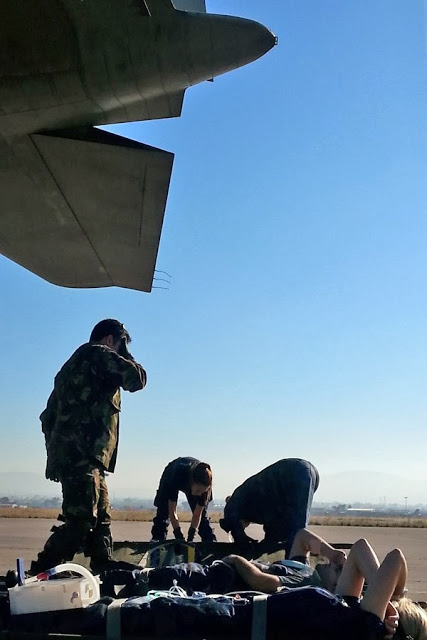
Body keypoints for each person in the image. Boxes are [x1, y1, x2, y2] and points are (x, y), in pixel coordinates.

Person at [29, 319, 147, 574]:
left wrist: (54, 457)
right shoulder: (99, 354)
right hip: (82, 454)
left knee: (101, 514)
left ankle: (102, 563)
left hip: (78, 455)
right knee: (81, 520)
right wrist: (125, 352)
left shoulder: (70, 367)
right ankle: (41, 570)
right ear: (109, 340)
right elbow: (137, 379)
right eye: (119, 344)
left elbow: (48, 416)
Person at [219, 458, 319, 556]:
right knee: (292, 529)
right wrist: (259, 549)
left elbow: (236, 532)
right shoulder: (257, 505)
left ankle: (295, 566)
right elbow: (274, 531)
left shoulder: (235, 503)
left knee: (297, 529)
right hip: (302, 473)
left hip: (294, 473)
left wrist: (246, 547)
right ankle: (293, 561)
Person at [151, 456, 216, 543]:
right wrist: (179, 535)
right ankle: (157, 540)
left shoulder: (205, 488)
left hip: (193, 477)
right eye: (198, 490)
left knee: (203, 519)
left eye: (202, 491)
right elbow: (172, 512)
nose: (200, 494)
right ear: (192, 482)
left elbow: (197, 515)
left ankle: (210, 545)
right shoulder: (176, 477)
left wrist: (190, 537)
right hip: (172, 473)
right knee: (163, 513)